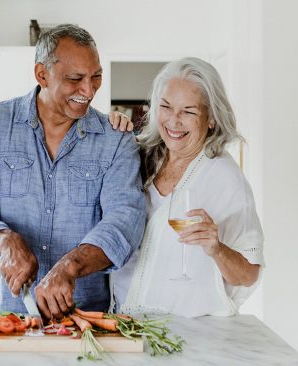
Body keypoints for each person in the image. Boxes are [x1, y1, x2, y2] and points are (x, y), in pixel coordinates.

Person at [0, 24, 146, 319]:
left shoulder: (116, 139)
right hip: (9, 315)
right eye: (75, 79)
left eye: (96, 77)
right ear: (42, 74)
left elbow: (124, 221)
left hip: (85, 318)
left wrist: (70, 266)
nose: (89, 90)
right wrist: (4, 240)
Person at [110, 57, 264, 317]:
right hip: (123, 321)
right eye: (166, 107)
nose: (173, 121)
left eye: (189, 111)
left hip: (186, 333)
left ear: (211, 118)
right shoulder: (140, 156)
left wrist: (217, 249)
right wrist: (109, 130)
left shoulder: (225, 178)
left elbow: (248, 274)